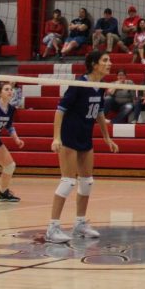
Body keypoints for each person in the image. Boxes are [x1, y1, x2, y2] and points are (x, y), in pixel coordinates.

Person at [47, 50, 120, 243]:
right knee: (68, 182)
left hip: (85, 138)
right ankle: (52, 227)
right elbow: (59, 111)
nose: (109, 63)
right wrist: (56, 138)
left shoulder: (100, 86)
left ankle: (79, 224)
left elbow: (100, 113)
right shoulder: (79, 84)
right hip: (69, 137)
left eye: (109, 59)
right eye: (105, 60)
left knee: (87, 182)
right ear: (94, 64)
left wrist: (107, 138)